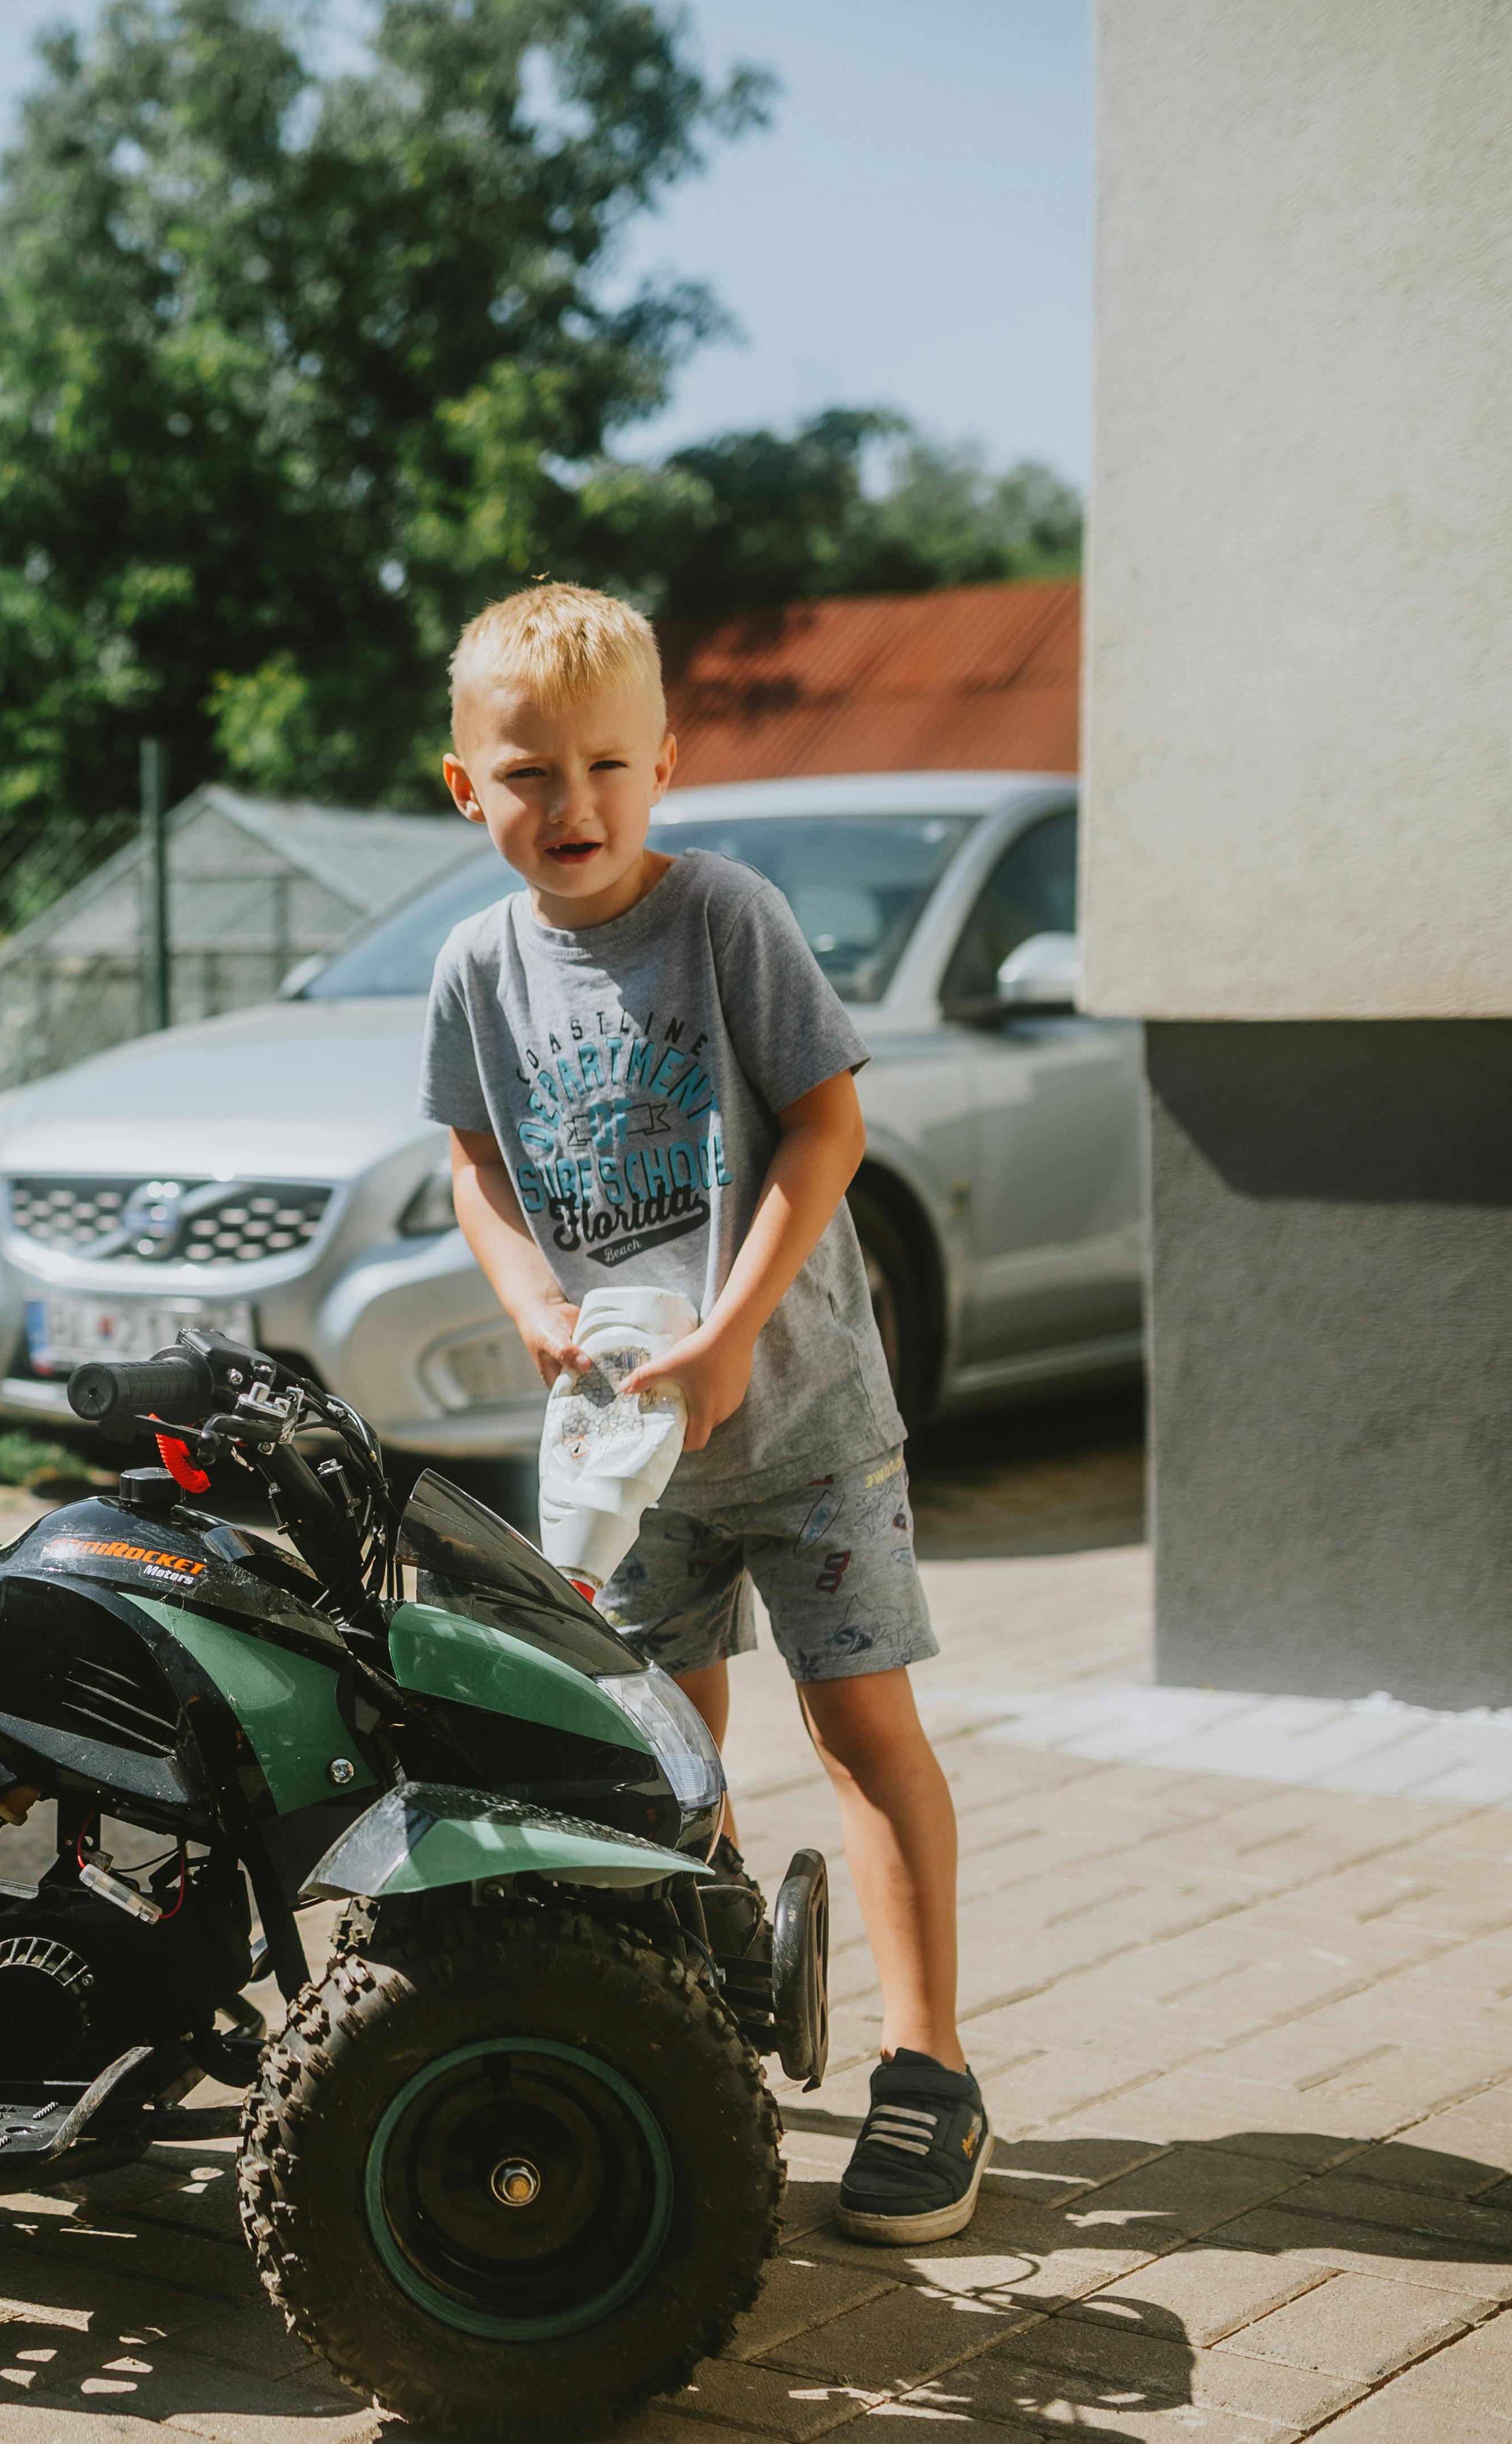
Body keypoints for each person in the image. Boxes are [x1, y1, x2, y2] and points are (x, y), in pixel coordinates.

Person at [417, 582, 986, 2245]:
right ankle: (708, 2021)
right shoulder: (472, 968)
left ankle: (926, 2066)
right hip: (617, 1459)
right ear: (467, 788)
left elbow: (827, 1132)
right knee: (656, 1751)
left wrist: (733, 1329)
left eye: (604, 765)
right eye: (526, 773)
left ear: (664, 763)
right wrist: (528, 1303)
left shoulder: (723, 919)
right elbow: (471, 1166)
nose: (569, 805)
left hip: (795, 1418)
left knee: (856, 1728)